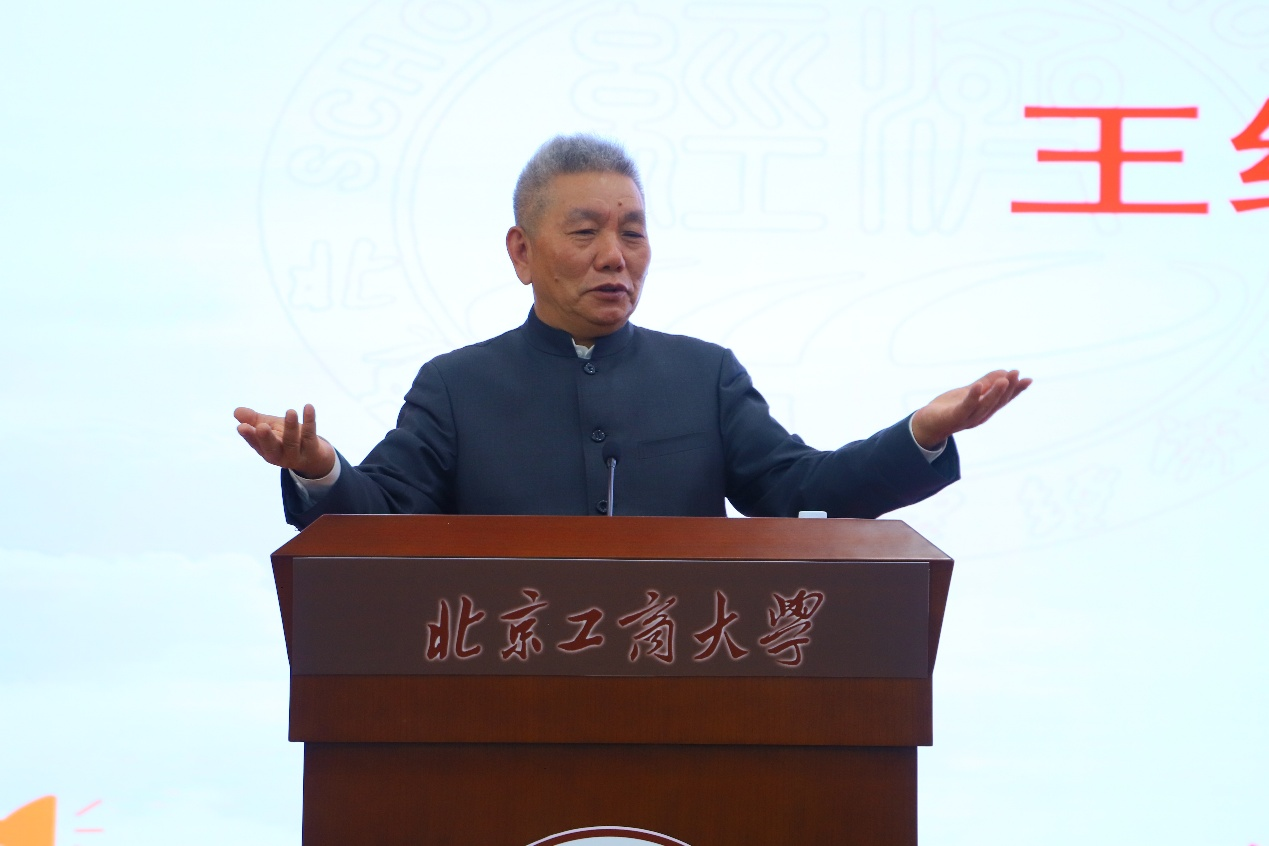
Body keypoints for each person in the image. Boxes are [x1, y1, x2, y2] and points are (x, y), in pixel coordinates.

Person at [235, 135, 1029, 528]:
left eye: (633, 233)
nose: (614, 256)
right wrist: (319, 469)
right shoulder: (456, 388)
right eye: (585, 233)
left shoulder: (703, 378)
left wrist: (921, 434)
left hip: (684, 707)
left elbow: (801, 492)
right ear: (522, 252)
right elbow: (380, 522)